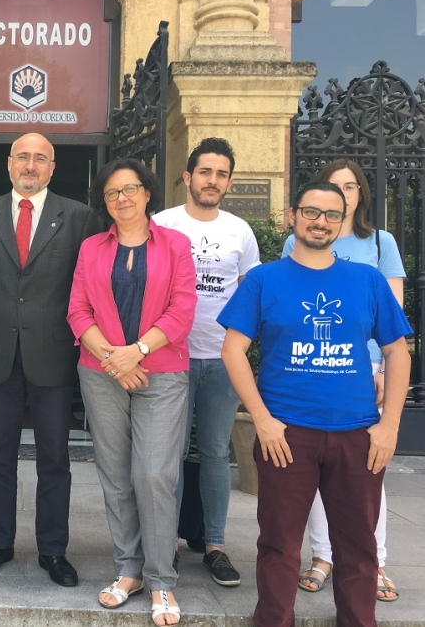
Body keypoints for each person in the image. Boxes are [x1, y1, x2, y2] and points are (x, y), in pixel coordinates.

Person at [218, 181, 411, 627]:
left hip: (358, 434)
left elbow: (397, 351)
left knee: (358, 547)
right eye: (310, 212)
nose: (319, 221)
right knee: (280, 545)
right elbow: (233, 349)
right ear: (292, 216)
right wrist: (262, 420)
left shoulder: (367, 280)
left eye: (330, 215)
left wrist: (390, 424)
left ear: (342, 223)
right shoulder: (265, 279)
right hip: (286, 435)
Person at [0, 132, 100, 587]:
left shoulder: (79, 217)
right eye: (23, 157)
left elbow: (85, 283)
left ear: (52, 168)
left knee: (54, 458)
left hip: (54, 351)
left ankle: (53, 550)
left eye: (40, 158)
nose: (30, 165)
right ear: (8, 163)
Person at [68, 158, 196, 624]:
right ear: (104, 202)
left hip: (161, 373)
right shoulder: (90, 249)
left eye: (131, 189)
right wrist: (113, 359)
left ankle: (162, 580)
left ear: (147, 194)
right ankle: (129, 570)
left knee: (155, 474)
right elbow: (78, 311)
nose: (122, 198)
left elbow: (183, 310)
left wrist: (135, 352)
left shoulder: (177, 244)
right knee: (116, 474)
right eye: (112, 193)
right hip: (101, 372)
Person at [282, 160, 406, 602]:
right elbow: (289, 307)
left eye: (350, 187)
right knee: (315, 472)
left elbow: (391, 313)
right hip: (313, 372)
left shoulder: (380, 243)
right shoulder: (293, 242)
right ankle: (323, 556)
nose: (342, 194)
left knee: (367, 474)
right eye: (334, 187)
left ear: (360, 194)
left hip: (365, 370)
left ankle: (378, 560)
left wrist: (378, 371)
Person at [153, 137, 260, 587]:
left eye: (221, 174)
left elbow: (252, 296)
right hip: (170, 357)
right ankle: (166, 547)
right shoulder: (162, 224)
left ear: (228, 182)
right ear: (188, 176)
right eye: (205, 172)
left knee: (216, 453)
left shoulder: (240, 231)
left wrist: (241, 348)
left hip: (222, 360)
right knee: (170, 455)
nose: (212, 180)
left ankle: (215, 545)